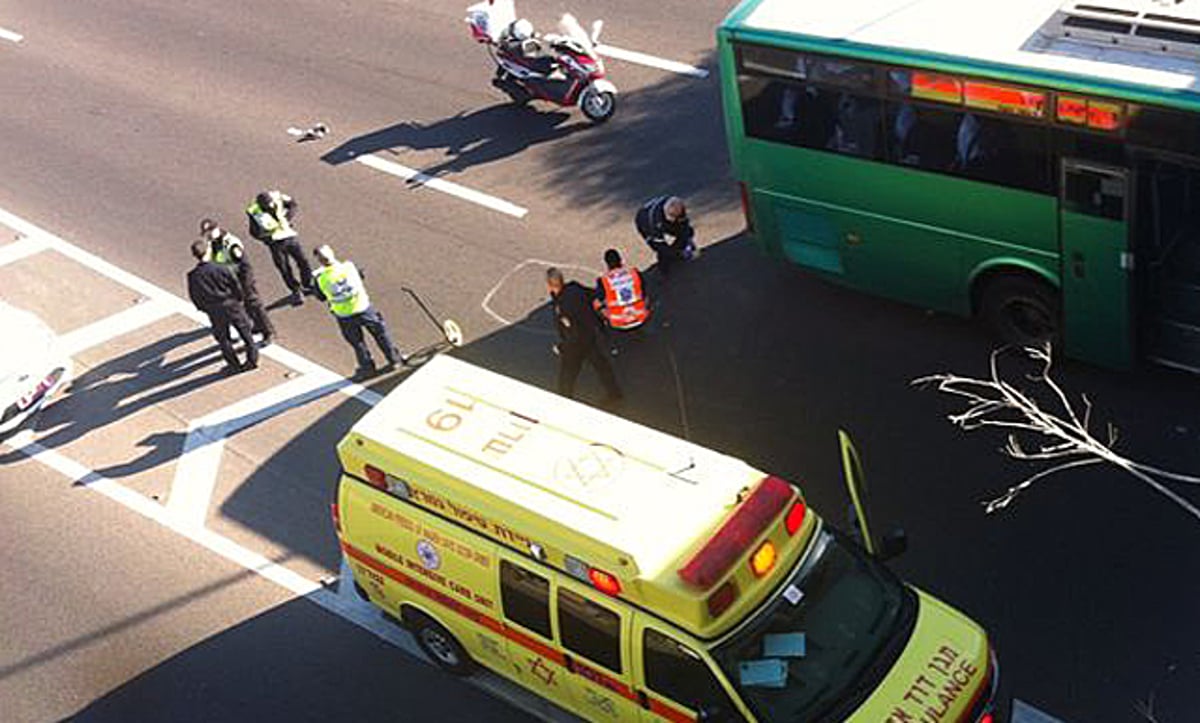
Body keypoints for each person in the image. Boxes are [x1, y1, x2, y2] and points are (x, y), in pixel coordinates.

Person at [311, 245, 406, 379]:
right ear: (332, 253)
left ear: (319, 261)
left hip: (344, 315)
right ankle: (395, 360)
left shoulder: (320, 278)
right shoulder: (349, 267)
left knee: (358, 343)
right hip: (363, 308)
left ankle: (367, 368)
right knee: (381, 334)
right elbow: (361, 275)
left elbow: (320, 297)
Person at [546, 267, 621, 405]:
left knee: (567, 375)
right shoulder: (574, 287)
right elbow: (592, 294)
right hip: (591, 334)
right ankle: (615, 393)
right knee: (602, 366)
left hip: (577, 343)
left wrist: (562, 347)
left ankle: (564, 401)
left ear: (550, 285)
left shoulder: (562, 306)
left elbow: (572, 333)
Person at [186, 239, 258, 374]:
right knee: (246, 333)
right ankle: (252, 360)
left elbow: (195, 296)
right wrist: (238, 299)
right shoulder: (221, 268)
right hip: (231, 304)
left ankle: (233, 364)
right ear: (208, 251)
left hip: (214, 309)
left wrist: (205, 308)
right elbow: (235, 285)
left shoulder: (193, 276)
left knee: (223, 338)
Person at [200, 218, 275, 345]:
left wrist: (246, 286)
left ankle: (268, 332)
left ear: (217, 228)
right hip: (230, 280)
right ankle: (257, 326)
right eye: (206, 233)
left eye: (210, 231)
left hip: (242, 279)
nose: (208, 235)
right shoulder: (212, 244)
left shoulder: (231, 243)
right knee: (245, 307)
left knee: (254, 304)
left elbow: (244, 266)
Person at [246, 189, 314, 306]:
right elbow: (254, 232)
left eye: (271, 203)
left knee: (303, 261)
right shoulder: (255, 213)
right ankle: (296, 290)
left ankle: (307, 284)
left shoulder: (277, 197)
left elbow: (293, 204)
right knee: (284, 268)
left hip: (289, 236)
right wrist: (267, 240)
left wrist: (287, 218)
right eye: (268, 205)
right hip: (275, 243)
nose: (271, 206)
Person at [593, 249, 649, 355]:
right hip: (640, 316)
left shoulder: (603, 281)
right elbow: (645, 292)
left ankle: (607, 337)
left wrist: (603, 310)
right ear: (621, 260)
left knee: (595, 305)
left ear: (607, 264)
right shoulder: (634, 273)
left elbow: (598, 301)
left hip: (618, 321)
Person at [635, 195, 697, 277]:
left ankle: (677, 252)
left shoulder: (677, 204)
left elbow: (684, 225)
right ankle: (664, 272)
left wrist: (689, 242)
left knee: (688, 232)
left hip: (661, 217)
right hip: (645, 223)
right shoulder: (653, 221)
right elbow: (660, 245)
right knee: (662, 251)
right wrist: (678, 254)